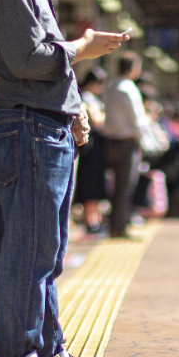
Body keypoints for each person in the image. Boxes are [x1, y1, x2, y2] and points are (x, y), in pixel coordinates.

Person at [0, 0, 127, 357]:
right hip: (28, 127)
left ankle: (46, 348)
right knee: (29, 248)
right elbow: (28, 60)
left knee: (46, 248)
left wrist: (73, 108)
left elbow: (47, 65)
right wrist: (82, 47)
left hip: (44, 127)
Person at [100, 51, 148, 238]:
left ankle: (113, 225)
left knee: (112, 186)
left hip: (109, 142)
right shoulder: (129, 88)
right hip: (127, 143)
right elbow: (137, 119)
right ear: (134, 68)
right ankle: (120, 227)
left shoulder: (109, 86)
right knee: (124, 188)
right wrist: (143, 140)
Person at [74, 65, 108, 234]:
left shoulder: (83, 96)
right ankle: (91, 220)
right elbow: (97, 120)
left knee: (90, 182)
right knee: (92, 182)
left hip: (88, 145)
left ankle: (93, 219)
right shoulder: (88, 98)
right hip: (91, 146)